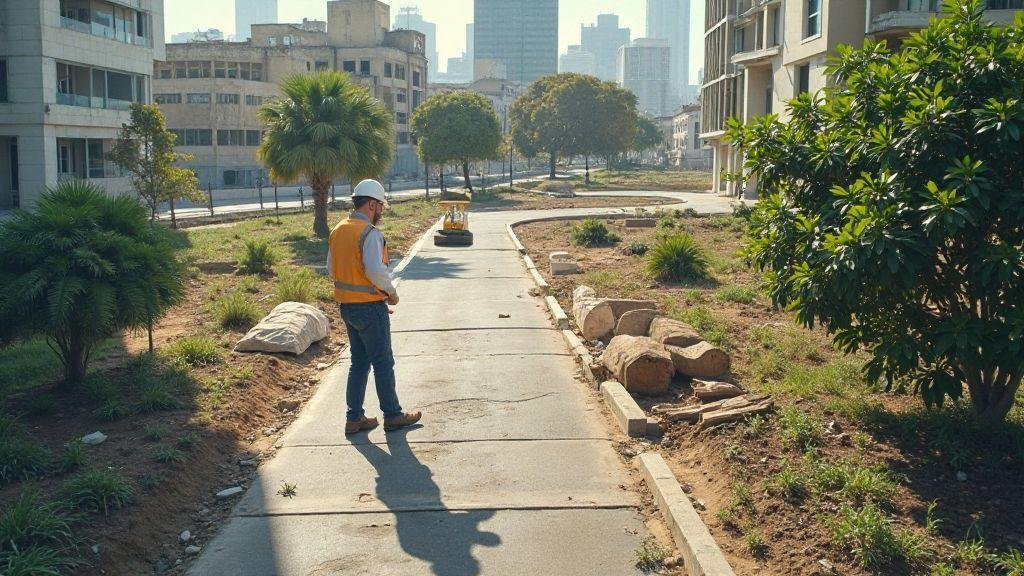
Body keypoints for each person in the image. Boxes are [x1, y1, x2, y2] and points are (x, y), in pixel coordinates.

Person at [327, 179, 421, 435]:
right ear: (371, 204)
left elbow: (331, 269)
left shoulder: (338, 230)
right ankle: (393, 415)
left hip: (347, 307)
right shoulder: (369, 233)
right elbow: (375, 271)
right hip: (369, 308)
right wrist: (391, 293)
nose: (381, 212)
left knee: (358, 363)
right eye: (380, 206)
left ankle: (354, 418)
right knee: (383, 362)